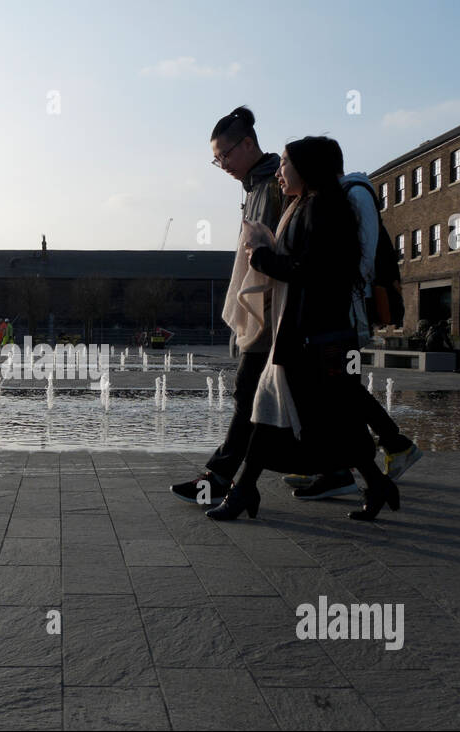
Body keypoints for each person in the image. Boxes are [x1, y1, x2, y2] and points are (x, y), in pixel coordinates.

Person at [207, 137, 399, 522]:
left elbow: (313, 274)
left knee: (270, 411)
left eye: (285, 164)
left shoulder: (321, 210)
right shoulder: (308, 206)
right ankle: (377, 482)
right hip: (314, 334)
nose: (279, 171)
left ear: (306, 169)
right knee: (332, 418)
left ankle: (243, 490)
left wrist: (262, 257)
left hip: (315, 337)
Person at [281, 140, 423, 501]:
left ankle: (374, 459)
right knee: (341, 389)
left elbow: (359, 260)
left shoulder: (354, 193)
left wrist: (335, 293)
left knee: (341, 388)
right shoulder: (327, 196)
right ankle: (357, 462)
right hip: (335, 315)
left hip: (345, 314)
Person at [171, 106, 284, 505]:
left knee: (248, 392)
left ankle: (220, 478)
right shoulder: (254, 187)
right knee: (272, 396)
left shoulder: (275, 185)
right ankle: (339, 467)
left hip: (274, 314)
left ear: (249, 144)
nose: (221, 165)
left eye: (225, 155)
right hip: (264, 312)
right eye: (216, 159)